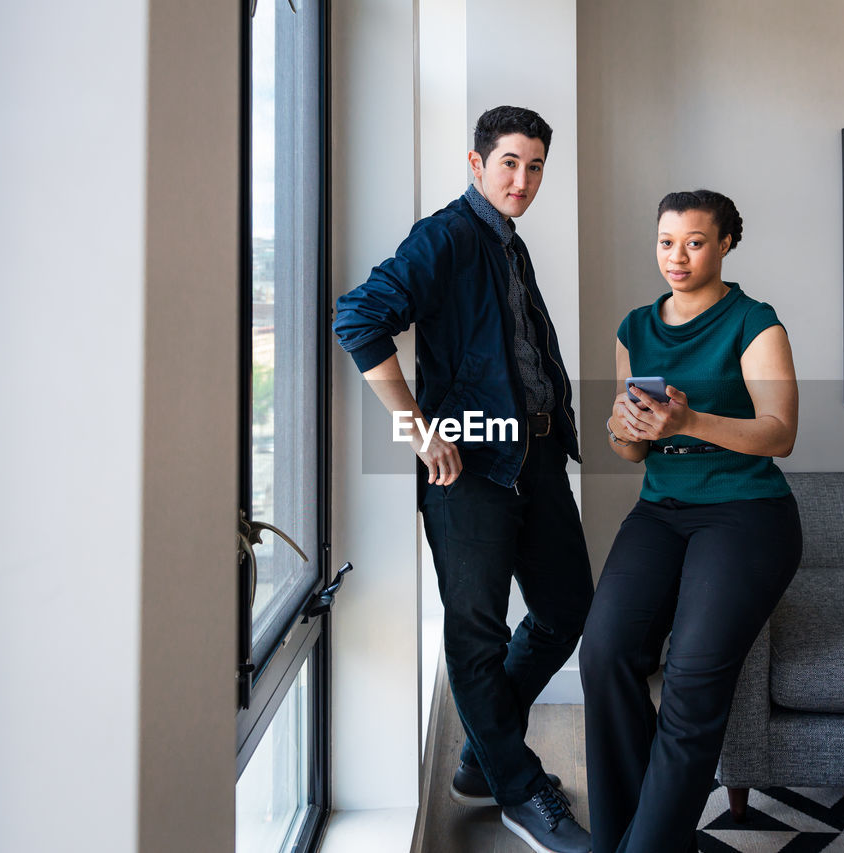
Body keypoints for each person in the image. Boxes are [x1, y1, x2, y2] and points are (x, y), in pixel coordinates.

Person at [332, 106, 594, 853]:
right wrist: (416, 428)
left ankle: (485, 753)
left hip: (534, 458)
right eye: (509, 162)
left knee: (566, 607)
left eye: (535, 165)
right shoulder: (445, 235)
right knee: (476, 632)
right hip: (472, 468)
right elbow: (359, 317)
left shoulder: (509, 245)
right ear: (476, 165)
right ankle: (519, 789)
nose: (523, 179)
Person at [580, 189, 803, 853]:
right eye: (666, 241)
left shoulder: (754, 322)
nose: (677, 256)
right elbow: (631, 450)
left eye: (695, 241)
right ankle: (626, 838)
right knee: (604, 653)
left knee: (693, 674)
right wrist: (626, 428)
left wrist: (689, 420)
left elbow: (781, 433)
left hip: (748, 513)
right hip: (662, 509)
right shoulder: (635, 328)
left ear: (726, 243)